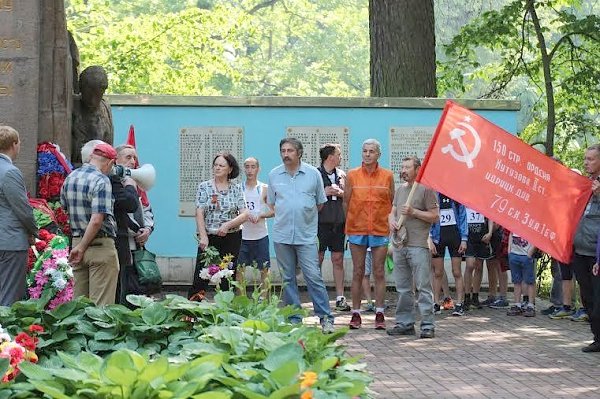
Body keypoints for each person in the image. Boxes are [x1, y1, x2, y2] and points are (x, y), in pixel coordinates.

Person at [267, 137, 334, 334]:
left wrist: (303, 212)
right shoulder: (274, 175)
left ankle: (325, 318)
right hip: (282, 236)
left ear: (299, 153)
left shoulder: (313, 174)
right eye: (283, 151)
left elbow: (320, 203)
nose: (286, 154)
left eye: (290, 151)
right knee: (287, 278)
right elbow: (272, 203)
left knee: (313, 277)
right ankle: (294, 319)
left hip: (306, 237)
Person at [344, 139, 395, 330]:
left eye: (371, 151)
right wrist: (349, 224)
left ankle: (380, 313)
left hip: (380, 228)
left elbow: (391, 203)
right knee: (358, 271)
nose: (367, 154)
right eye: (364, 151)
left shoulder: (387, 176)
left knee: (379, 271)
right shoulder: (352, 175)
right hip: (357, 229)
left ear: (378, 154)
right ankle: (356, 314)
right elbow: (346, 203)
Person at [61, 142, 119, 305]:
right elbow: (96, 219)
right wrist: (83, 246)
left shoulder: (71, 177)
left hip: (77, 243)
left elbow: (64, 208)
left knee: (78, 306)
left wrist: (78, 246)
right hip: (100, 246)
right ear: (109, 162)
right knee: (100, 307)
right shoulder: (102, 180)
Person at [387, 156, 439, 338]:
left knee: (423, 287)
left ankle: (427, 325)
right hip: (400, 245)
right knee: (402, 288)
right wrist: (392, 221)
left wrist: (413, 212)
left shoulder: (426, 189)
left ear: (417, 169)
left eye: (408, 167)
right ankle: (405, 323)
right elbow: (392, 212)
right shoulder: (401, 190)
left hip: (419, 245)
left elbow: (434, 215)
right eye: (402, 166)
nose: (404, 170)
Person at [189, 152, 248, 297]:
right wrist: (203, 236)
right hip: (209, 237)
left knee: (227, 276)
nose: (217, 168)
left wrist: (228, 225)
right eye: (215, 165)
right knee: (201, 276)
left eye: (221, 165)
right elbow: (199, 212)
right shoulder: (204, 187)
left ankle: (225, 312)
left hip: (232, 237)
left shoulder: (236, 189)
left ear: (230, 169)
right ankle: (190, 315)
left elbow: (245, 213)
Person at [0, 126, 38, 306]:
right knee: (8, 297)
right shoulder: (10, 171)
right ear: (14, 144)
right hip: (9, 242)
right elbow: (23, 209)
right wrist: (34, 232)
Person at [115, 144, 157, 304]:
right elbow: (122, 212)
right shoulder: (116, 183)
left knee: (135, 288)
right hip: (122, 243)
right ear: (116, 159)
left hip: (136, 245)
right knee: (122, 288)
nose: (133, 161)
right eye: (128, 157)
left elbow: (147, 210)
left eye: (134, 157)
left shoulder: (137, 182)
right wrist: (138, 230)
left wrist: (147, 228)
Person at [316, 143, 349, 311]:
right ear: (330, 157)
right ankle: (317, 297)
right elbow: (308, 198)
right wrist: (325, 192)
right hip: (320, 224)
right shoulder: (315, 174)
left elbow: (349, 196)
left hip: (339, 224)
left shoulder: (342, 175)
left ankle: (340, 297)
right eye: (338, 154)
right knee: (318, 259)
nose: (340, 157)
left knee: (338, 259)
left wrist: (341, 193)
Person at [575, 144, 600, 352]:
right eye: (585, 158)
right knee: (588, 298)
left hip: (596, 255)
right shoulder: (584, 185)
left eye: (591, 159)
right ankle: (597, 338)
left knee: (598, 301)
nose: (586, 162)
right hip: (579, 252)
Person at [237, 157, 274, 294]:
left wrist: (260, 215)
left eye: (253, 167)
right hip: (242, 235)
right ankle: (241, 299)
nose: (250, 170)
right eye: (247, 167)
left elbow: (273, 210)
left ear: (258, 169)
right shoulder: (238, 188)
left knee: (264, 269)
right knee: (239, 269)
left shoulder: (264, 188)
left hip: (260, 235)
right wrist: (242, 216)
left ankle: (264, 299)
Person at [429, 193, 468, 316]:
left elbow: (462, 217)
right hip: (437, 239)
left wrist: (464, 239)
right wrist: (429, 238)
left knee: (456, 272)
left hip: (455, 238)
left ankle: (460, 303)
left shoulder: (456, 197)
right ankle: (435, 303)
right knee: (438, 272)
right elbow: (430, 218)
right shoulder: (434, 196)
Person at [71, 66, 114, 165]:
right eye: (88, 95)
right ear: (81, 89)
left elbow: (109, 145)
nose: (92, 100)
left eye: (97, 95)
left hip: (101, 168)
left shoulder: (105, 108)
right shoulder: (73, 106)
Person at [463, 208, 494, 310]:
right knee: (470, 265)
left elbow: (490, 215)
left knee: (479, 266)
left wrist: (490, 232)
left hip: (482, 236)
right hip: (469, 237)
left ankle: (475, 296)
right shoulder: (465, 200)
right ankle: (467, 296)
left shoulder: (483, 200)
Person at [506, 232, 536, 317]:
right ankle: (517, 304)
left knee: (530, 281)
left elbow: (537, 238)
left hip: (526, 255)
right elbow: (511, 234)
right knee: (516, 281)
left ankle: (530, 305)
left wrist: (530, 253)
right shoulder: (515, 221)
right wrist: (509, 251)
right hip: (514, 254)